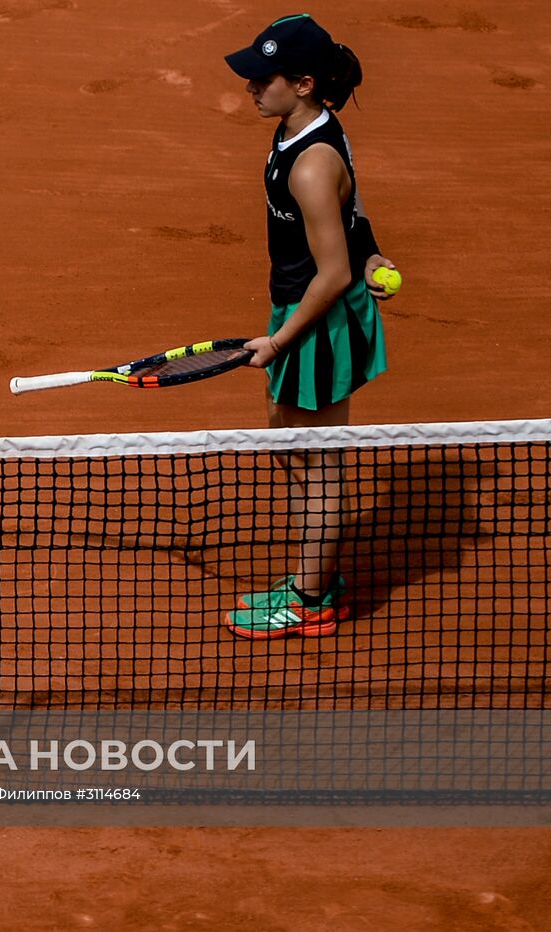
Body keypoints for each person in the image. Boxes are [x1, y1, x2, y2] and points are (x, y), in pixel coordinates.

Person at [219, 14, 396, 639]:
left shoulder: (311, 165)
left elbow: (331, 275)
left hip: (315, 319)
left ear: (302, 83)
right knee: (290, 445)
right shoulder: (306, 128)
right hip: (298, 311)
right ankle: (312, 576)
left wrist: (279, 340)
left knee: (315, 463)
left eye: (262, 78)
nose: (250, 88)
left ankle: (309, 599)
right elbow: (356, 209)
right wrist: (373, 250)